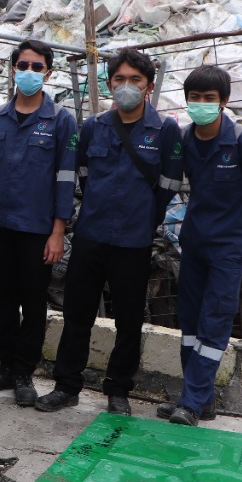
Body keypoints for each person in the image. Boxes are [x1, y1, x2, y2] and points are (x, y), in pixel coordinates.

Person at [37, 49, 184, 415]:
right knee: (77, 316)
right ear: (108, 83)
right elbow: (83, 174)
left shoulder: (164, 131)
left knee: (130, 321)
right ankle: (66, 386)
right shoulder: (93, 127)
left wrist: (146, 215)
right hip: (91, 235)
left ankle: (118, 390)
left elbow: (169, 183)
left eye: (135, 80)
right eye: (119, 79)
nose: (126, 87)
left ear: (149, 86)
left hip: (134, 241)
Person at [156, 64, 242, 425]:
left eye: (209, 98)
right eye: (195, 98)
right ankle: (199, 399)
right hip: (194, 241)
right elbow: (173, 181)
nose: (201, 104)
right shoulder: (185, 139)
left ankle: (192, 403)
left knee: (214, 319)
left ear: (224, 101)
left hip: (228, 245)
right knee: (190, 320)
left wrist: (234, 220)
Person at [0, 39, 78, 408]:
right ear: (13, 68)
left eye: (37, 67)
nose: (29, 72)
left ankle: (25, 371)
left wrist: (58, 230)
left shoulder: (60, 120)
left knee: (33, 299)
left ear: (49, 72)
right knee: (5, 298)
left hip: (38, 228)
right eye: (23, 65)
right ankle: (6, 368)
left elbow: (65, 177)